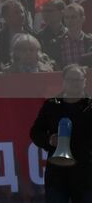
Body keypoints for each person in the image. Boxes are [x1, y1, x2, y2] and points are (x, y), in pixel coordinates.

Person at [30, 64, 92, 202]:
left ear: (85, 82)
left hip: (86, 174)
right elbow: (35, 132)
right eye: (71, 80)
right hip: (57, 176)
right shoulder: (51, 105)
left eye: (78, 80)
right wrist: (49, 140)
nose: (74, 83)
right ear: (63, 81)